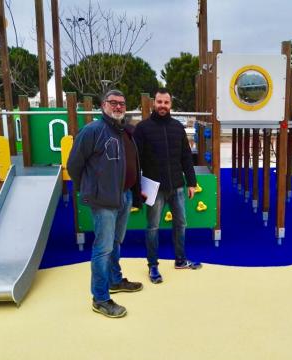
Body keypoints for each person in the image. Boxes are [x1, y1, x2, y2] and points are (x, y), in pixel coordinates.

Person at [67, 89, 143, 318]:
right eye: (113, 103)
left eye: (122, 103)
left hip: (124, 195)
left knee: (116, 242)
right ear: (103, 106)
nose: (119, 107)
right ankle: (100, 298)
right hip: (104, 200)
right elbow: (74, 165)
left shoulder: (122, 131)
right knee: (103, 248)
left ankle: (114, 279)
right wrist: (90, 188)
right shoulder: (93, 130)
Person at [134, 88, 202, 284]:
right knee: (152, 227)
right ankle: (153, 266)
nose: (162, 105)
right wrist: (137, 186)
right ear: (153, 103)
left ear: (171, 105)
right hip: (153, 187)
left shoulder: (177, 128)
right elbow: (136, 160)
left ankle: (180, 260)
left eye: (166, 102)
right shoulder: (143, 128)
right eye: (159, 102)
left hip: (178, 186)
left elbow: (186, 156)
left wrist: (191, 182)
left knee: (180, 224)